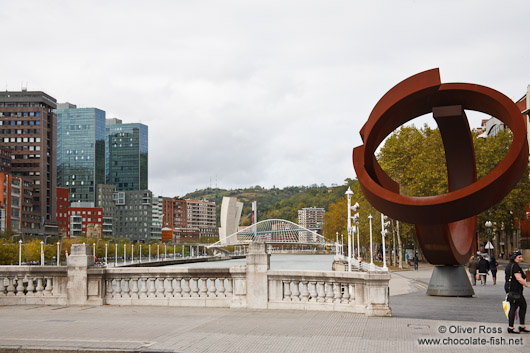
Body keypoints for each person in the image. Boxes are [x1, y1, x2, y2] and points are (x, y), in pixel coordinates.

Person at [505, 250, 530, 334]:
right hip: (514, 290)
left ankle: (521, 326)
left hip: (513, 290)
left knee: (522, 305)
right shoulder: (515, 266)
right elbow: (519, 278)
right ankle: (511, 327)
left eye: (521, 257)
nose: (521, 259)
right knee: (514, 307)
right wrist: (527, 285)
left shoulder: (510, 265)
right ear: (514, 258)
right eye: (519, 257)